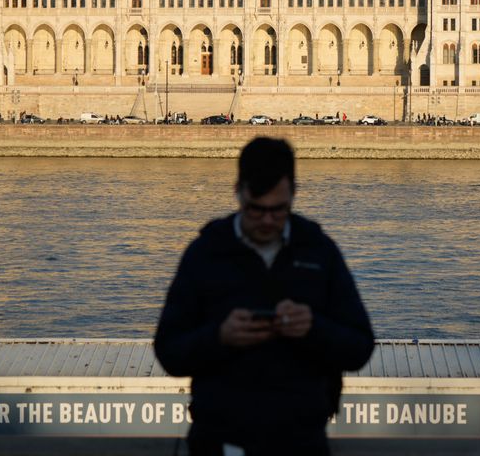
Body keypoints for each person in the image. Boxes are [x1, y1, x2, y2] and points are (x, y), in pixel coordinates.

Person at [154, 137, 374, 455]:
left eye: (278, 210)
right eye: (256, 210)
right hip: (221, 440)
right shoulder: (204, 252)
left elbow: (360, 347)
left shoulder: (320, 250)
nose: (268, 221)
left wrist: (313, 328)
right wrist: (220, 336)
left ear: (294, 194)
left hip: (301, 441)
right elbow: (168, 350)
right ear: (238, 192)